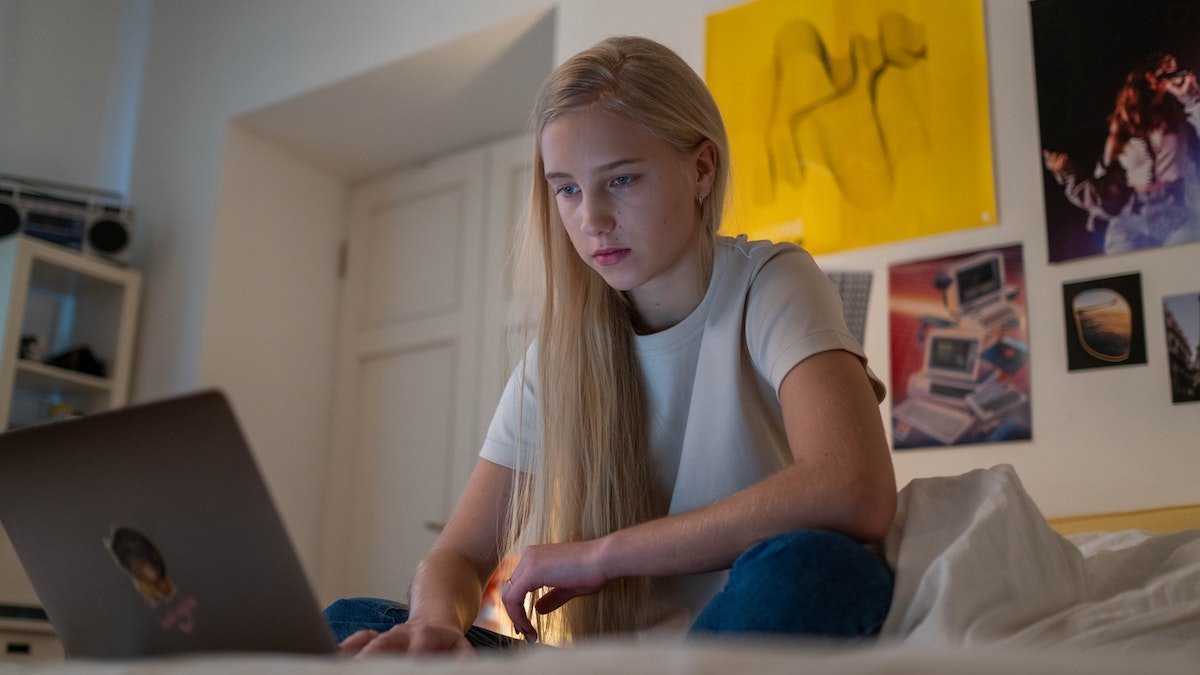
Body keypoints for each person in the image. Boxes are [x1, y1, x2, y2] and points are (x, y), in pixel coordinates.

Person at [323, 35, 897, 656]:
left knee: (813, 569)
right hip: (615, 661)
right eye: (566, 188)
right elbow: (458, 555)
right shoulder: (558, 356)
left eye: (620, 179)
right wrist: (434, 623)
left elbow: (854, 487)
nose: (590, 218)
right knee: (349, 619)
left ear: (701, 169)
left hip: (740, 634)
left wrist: (600, 557)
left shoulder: (771, 282)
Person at [1044, 52, 1200, 254]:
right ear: (1144, 76)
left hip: (1178, 212)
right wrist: (1067, 174)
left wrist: (1193, 99)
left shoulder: (1181, 118)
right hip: (1131, 217)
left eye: (1170, 68)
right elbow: (1102, 193)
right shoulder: (1120, 133)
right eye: (1158, 69)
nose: (1166, 72)